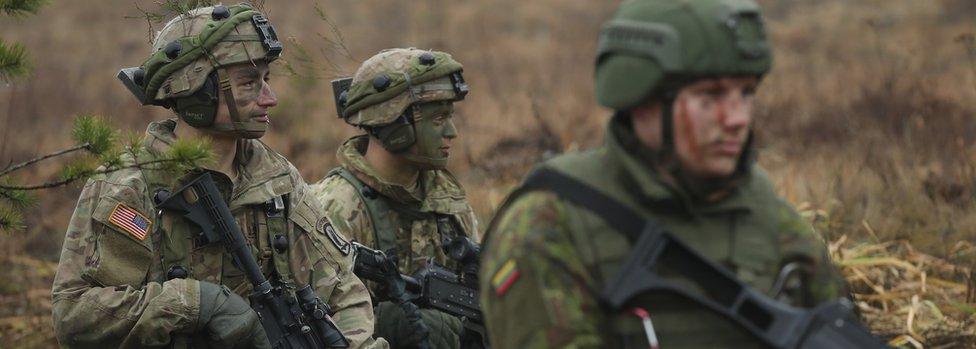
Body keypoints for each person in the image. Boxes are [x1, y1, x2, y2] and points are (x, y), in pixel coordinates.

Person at [479, 0, 851, 348]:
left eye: (746, 93)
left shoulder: (773, 221)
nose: (737, 118)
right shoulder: (550, 226)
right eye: (711, 96)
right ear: (642, 99)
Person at [51, 4, 386, 348]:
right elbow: (75, 316)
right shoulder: (132, 185)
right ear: (197, 90)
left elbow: (343, 289)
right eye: (248, 83)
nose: (270, 98)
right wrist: (195, 304)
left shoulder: (277, 178)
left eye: (266, 80)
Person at [309, 48, 479, 349]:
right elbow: (314, 324)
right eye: (438, 119)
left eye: (449, 117)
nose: (451, 132)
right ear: (395, 125)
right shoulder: (336, 206)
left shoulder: (447, 201)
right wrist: (393, 324)